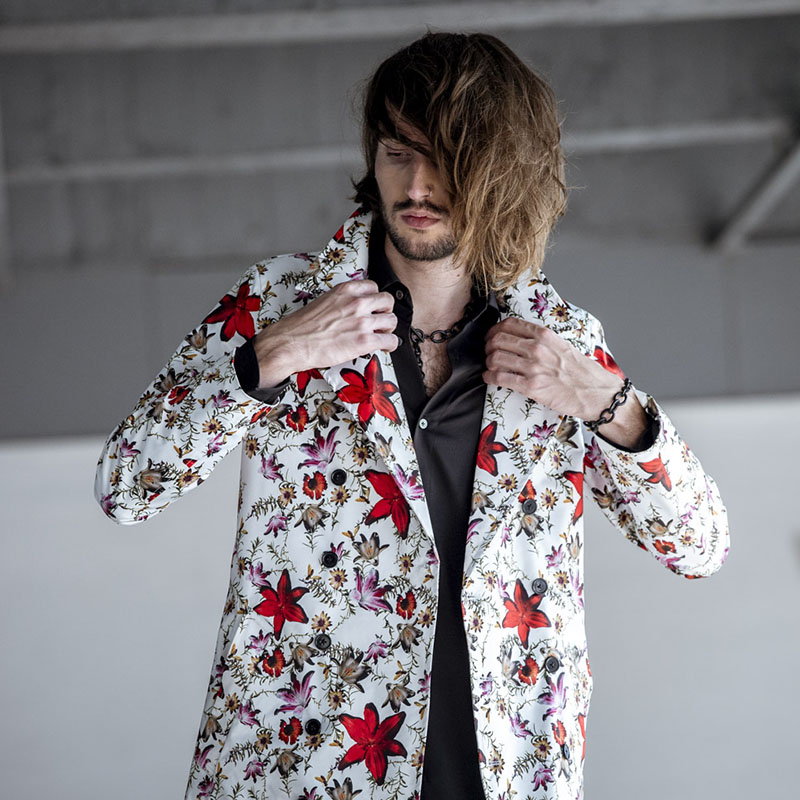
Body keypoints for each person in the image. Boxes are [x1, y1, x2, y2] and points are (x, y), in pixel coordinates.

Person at [94, 31, 730, 800]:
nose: (418, 184)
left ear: (501, 172)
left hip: (505, 767)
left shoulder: (559, 341)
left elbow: (698, 545)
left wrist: (605, 401)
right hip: (307, 763)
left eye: (446, 159)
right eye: (398, 153)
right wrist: (274, 354)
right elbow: (126, 487)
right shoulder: (280, 301)